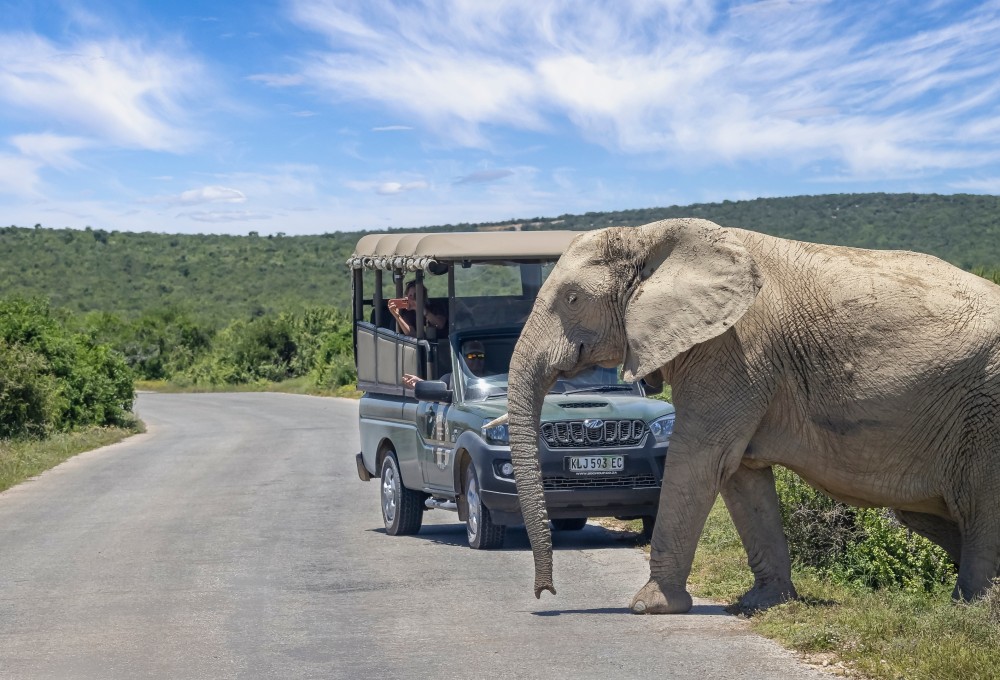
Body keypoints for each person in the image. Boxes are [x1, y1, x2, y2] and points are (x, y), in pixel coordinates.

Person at [402, 340, 487, 389]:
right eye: (471, 356)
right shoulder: (449, 379)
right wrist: (421, 383)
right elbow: (436, 390)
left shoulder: (492, 378)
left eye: (480, 356)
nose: (477, 360)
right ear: (462, 359)